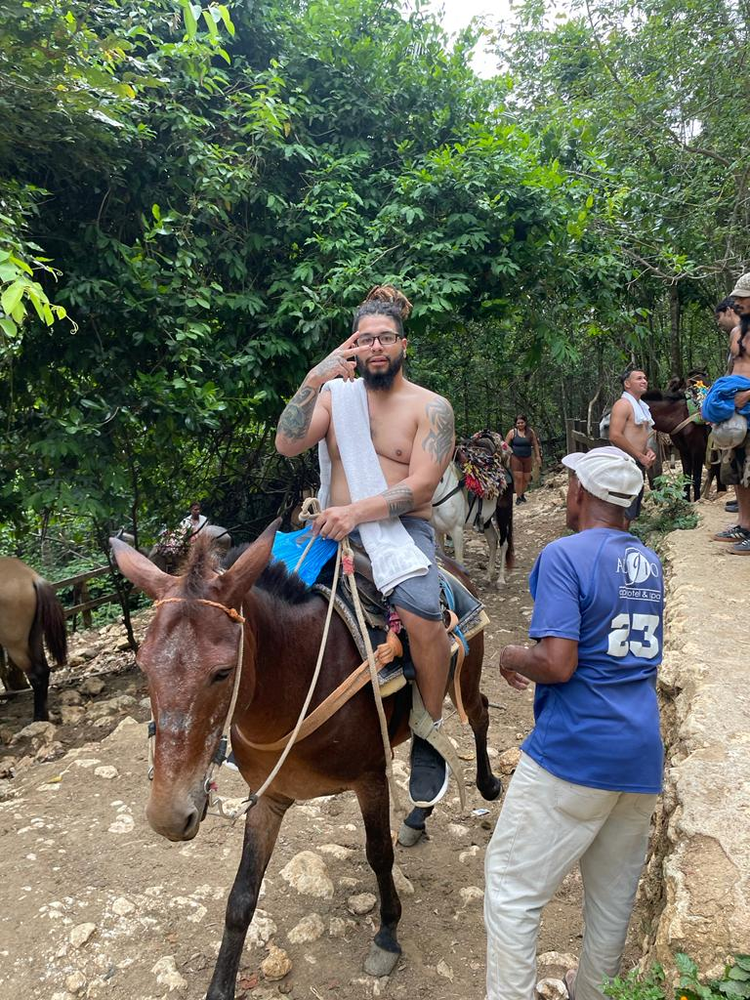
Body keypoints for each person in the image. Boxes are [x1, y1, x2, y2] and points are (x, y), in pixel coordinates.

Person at [484, 446, 664, 1000]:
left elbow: (557, 663)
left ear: (581, 493)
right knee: (611, 904)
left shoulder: (565, 556)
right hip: (639, 756)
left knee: (512, 888)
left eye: (569, 484)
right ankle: (591, 992)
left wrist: (513, 655)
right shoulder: (649, 562)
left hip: (575, 750)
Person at [274, 286, 457, 806]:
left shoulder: (432, 408)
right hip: (328, 531)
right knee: (253, 597)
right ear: (352, 346)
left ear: (404, 344)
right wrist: (315, 377)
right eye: (366, 339)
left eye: (387, 338)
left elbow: (421, 487)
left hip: (400, 533)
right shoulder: (336, 398)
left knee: (422, 616)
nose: (377, 347)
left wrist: (356, 511)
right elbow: (287, 443)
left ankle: (428, 727)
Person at [703, 272, 750, 553]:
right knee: (736, 469)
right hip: (735, 410)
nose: (736, 301)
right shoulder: (736, 332)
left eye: (742, 296)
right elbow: (732, 370)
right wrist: (719, 401)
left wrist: (748, 394)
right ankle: (744, 525)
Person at [606, 368, 656, 521]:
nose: (644, 381)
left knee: (633, 507)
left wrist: (647, 450)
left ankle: (626, 538)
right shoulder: (623, 405)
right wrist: (640, 455)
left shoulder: (640, 405)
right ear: (627, 384)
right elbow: (614, 435)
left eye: (645, 378)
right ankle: (620, 540)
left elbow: (635, 435)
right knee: (624, 508)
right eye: (639, 378)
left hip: (637, 462)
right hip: (626, 464)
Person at [715, 296, 740, 512]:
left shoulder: (743, 335)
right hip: (736, 406)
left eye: (719, 316)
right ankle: (743, 503)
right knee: (736, 457)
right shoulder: (737, 335)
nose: (718, 322)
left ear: (729, 311)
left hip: (743, 404)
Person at [505, 415, 541, 505]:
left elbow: (535, 444)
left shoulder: (530, 432)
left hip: (528, 457)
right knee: (518, 477)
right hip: (516, 457)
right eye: (518, 423)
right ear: (515, 424)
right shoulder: (512, 432)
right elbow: (505, 445)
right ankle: (518, 497)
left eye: (522, 422)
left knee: (526, 478)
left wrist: (538, 456)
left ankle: (522, 494)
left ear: (525, 423)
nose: (520, 424)